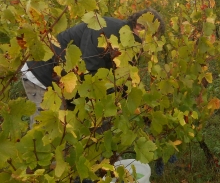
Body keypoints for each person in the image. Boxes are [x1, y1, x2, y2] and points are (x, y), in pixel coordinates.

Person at [21, 8, 165, 127]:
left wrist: (133, 104)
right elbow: (89, 69)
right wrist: (112, 100)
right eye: (152, 36)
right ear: (139, 27)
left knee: (72, 131)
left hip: (69, 86)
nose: (152, 43)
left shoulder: (133, 46)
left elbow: (124, 78)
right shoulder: (106, 28)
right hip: (42, 75)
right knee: (48, 135)